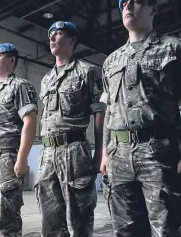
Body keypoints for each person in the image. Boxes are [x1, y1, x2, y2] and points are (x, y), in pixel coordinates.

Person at [100, 0, 181, 236]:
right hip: (118, 155)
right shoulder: (111, 62)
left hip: (159, 152)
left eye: (136, 1)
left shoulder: (175, 48)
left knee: (164, 228)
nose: (128, 6)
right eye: (124, 3)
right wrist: (104, 153)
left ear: (152, 9)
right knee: (125, 230)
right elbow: (108, 112)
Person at [36, 21, 106, 237]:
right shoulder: (46, 79)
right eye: (50, 35)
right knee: (50, 217)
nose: (52, 38)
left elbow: (100, 114)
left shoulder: (89, 72)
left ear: (72, 40)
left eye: (58, 34)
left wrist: (99, 154)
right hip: (47, 152)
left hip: (74, 151)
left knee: (79, 215)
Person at [0, 43, 38, 236]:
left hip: (6, 157)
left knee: (7, 216)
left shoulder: (20, 86)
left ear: (11, 59)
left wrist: (22, 159)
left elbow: (30, 122)